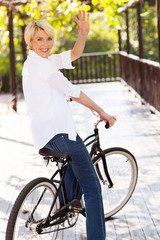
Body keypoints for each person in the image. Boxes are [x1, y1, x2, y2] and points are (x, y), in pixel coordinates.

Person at [23, 10, 116, 240]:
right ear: (30, 41)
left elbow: (73, 54)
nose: (46, 44)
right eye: (39, 39)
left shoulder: (35, 62)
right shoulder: (44, 67)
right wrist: (101, 112)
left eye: (49, 38)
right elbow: (73, 92)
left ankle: (64, 206)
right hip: (61, 135)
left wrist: (82, 34)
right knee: (93, 190)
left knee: (76, 156)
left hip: (45, 137)